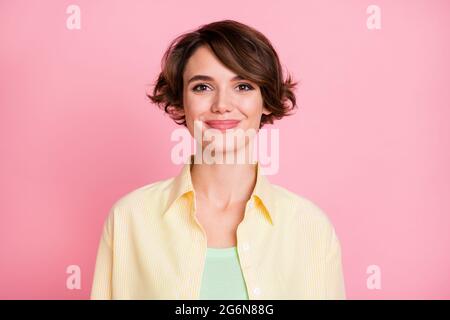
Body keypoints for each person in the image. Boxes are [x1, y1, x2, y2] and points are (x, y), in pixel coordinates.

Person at [90, 19, 346, 300]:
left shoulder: (310, 228)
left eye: (244, 86)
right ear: (179, 101)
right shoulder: (129, 219)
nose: (222, 105)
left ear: (266, 101)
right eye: (202, 87)